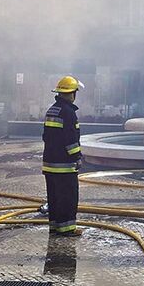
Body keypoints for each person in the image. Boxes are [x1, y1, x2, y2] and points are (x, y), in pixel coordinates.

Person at [43, 75, 84, 236]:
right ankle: (67, 229)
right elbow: (71, 140)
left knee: (54, 198)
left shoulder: (52, 110)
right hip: (65, 166)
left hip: (49, 164)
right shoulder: (69, 113)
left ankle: (55, 227)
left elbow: (46, 137)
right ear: (72, 93)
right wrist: (77, 157)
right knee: (68, 198)